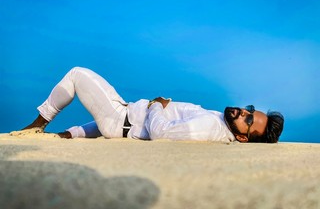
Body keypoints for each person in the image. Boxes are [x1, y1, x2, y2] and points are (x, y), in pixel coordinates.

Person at [16, 67, 284, 143]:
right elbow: (135, 123)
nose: (244, 112)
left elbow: (160, 133)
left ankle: (37, 125)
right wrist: (73, 133)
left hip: (120, 120)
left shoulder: (209, 127)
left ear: (242, 137)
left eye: (248, 121)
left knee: (76, 74)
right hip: (121, 118)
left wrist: (158, 104)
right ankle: (53, 130)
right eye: (250, 110)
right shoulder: (217, 120)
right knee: (84, 85)